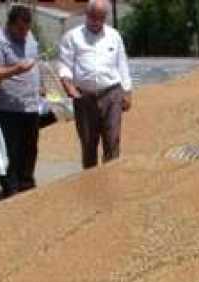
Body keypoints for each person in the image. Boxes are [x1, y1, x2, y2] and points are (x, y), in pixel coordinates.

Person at [57, 0, 133, 170]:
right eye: (93, 17)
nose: (96, 21)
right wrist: (68, 85)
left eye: (100, 18)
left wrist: (127, 91)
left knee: (112, 139)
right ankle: (90, 180)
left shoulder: (114, 36)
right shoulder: (72, 37)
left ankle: (111, 176)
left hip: (111, 94)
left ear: (105, 17)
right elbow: (65, 65)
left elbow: (122, 64)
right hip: (84, 96)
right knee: (88, 143)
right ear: (87, 14)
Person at [0, 4, 41, 198]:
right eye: (20, 29)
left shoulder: (30, 37)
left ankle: (26, 182)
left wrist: (41, 87)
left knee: (30, 147)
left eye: (27, 29)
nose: (23, 33)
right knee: (10, 149)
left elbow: (36, 64)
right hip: (7, 106)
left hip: (31, 104)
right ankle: (10, 187)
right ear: (10, 24)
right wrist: (16, 70)